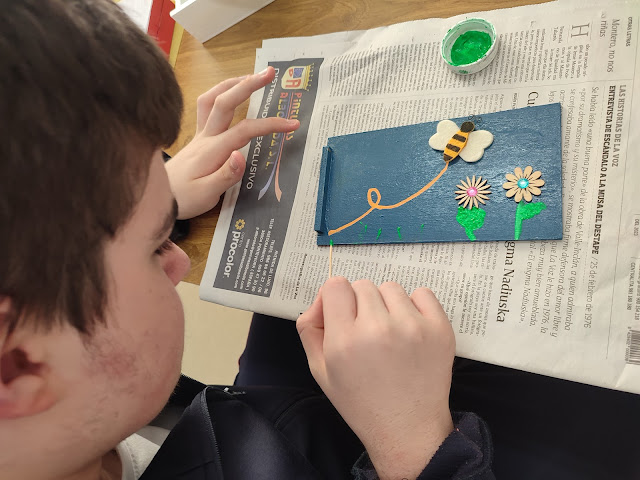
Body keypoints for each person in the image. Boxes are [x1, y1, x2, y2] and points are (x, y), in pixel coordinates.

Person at [2, 2, 639, 480]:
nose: (176, 259)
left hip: (256, 421)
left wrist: (147, 194)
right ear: (18, 368)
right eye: (153, 246)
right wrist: (415, 448)